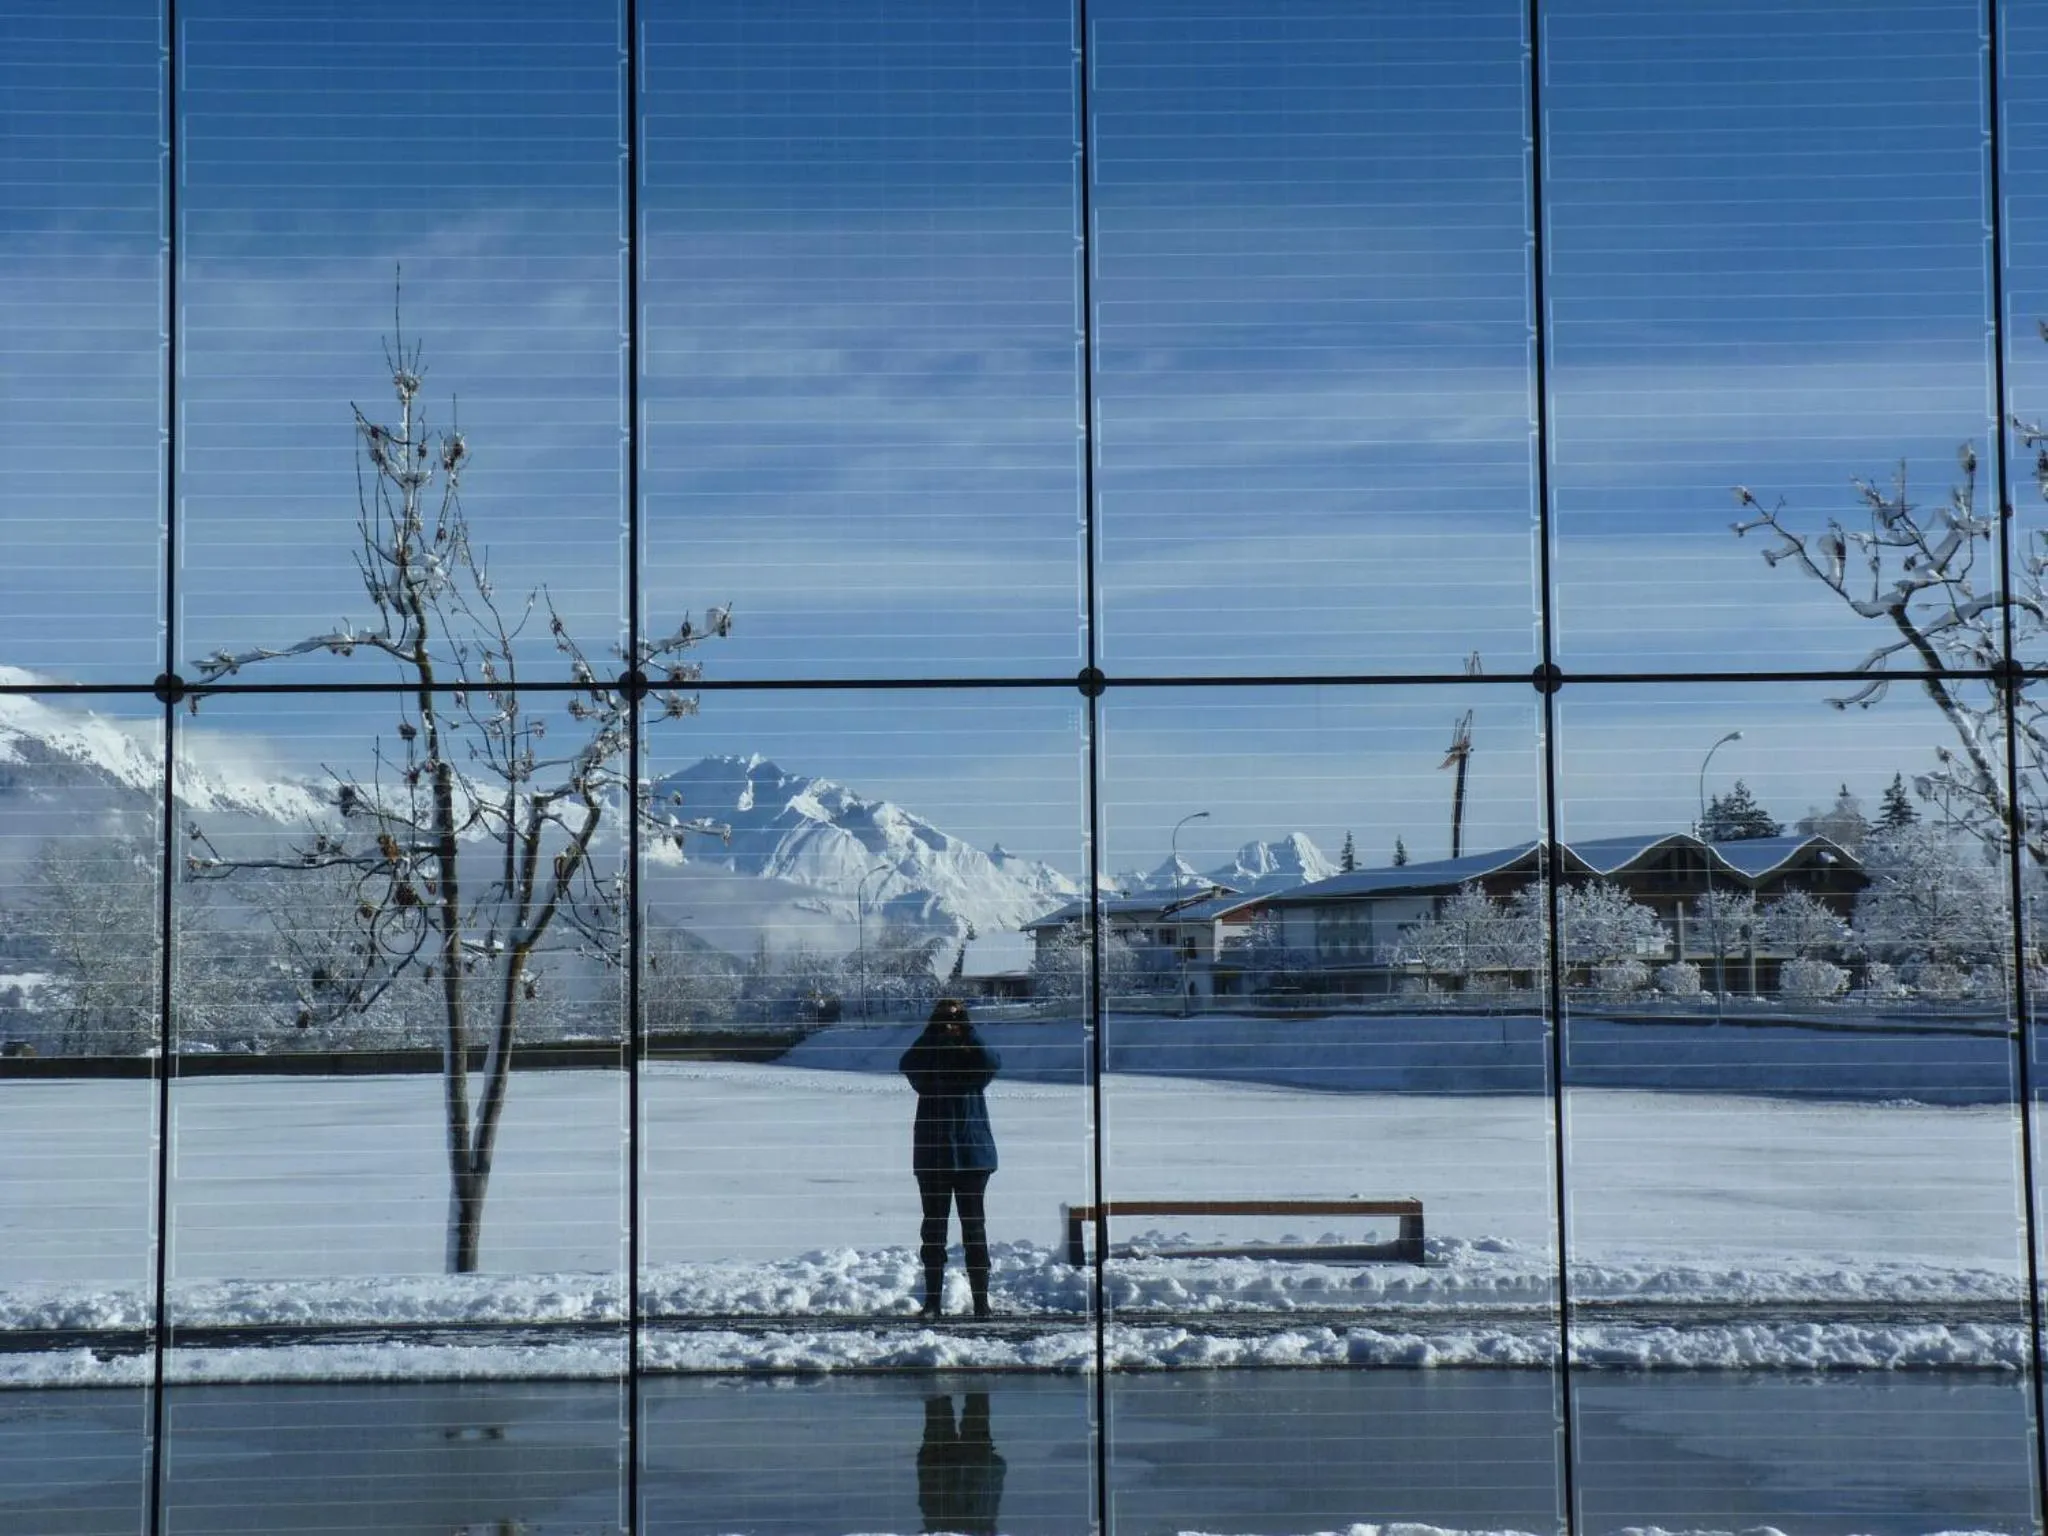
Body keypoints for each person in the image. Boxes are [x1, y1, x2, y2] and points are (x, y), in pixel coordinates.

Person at [899, 996, 1000, 1318]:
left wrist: (968, 1029)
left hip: (971, 1157)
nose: (949, 1027)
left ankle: (981, 1303)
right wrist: (933, 1032)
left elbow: (991, 1059)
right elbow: (907, 1063)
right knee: (934, 1231)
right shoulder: (928, 1064)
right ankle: (932, 1302)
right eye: (943, 1021)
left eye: (954, 1021)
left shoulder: (974, 1066)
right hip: (936, 1157)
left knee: (975, 1230)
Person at [917, 1391, 1005, 1535]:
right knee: (945, 1411)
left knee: (971, 1411)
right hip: (945, 1470)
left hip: (946, 1469)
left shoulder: (980, 1525)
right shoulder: (978, 1525)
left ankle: (972, 1383)